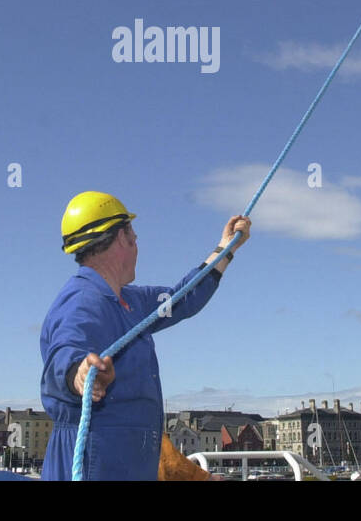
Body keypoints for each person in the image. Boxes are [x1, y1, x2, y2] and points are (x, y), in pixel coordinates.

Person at [39, 191, 250, 480]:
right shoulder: (82, 301)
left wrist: (226, 247)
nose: (138, 243)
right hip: (96, 463)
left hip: (127, 464)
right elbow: (65, 352)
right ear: (122, 238)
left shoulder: (131, 301)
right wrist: (80, 374)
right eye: (133, 235)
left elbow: (184, 298)